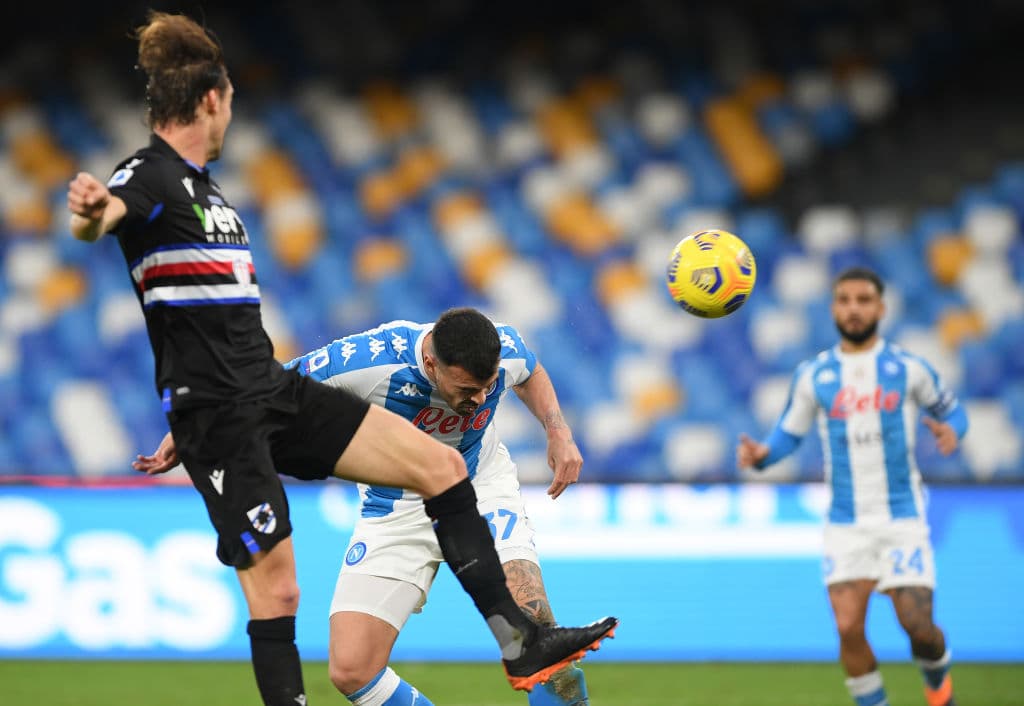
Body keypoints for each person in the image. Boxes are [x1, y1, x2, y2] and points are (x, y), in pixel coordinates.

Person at [65, 11, 616, 706]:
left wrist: (558, 431)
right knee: (288, 601)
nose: (233, 113)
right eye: (230, 100)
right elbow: (111, 212)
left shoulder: (210, 194)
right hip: (222, 413)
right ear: (212, 100)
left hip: (267, 386)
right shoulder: (150, 175)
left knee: (443, 467)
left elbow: (525, 365)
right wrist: (93, 211)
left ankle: (521, 643)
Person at [285, 308, 591, 706]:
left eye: (488, 386)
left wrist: (558, 431)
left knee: (534, 630)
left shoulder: (506, 347)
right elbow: (271, 387)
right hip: (397, 505)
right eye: (467, 390)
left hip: (479, 485)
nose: (481, 398)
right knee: (352, 669)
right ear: (431, 363)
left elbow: (531, 372)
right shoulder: (368, 362)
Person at [736, 267, 966, 706]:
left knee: (919, 630)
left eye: (863, 300)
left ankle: (938, 681)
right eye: (845, 300)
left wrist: (953, 429)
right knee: (848, 628)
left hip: (901, 518)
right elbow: (789, 433)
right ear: (833, 308)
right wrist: (764, 455)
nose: (854, 308)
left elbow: (954, 412)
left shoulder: (910, 369)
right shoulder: (814, 375)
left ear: (880, 308)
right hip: (845, 522)